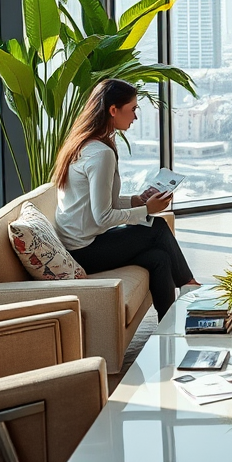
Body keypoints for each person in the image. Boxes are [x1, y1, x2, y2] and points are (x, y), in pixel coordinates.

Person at [51, 78, 196, 320]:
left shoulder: (85, 144)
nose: (135, 117)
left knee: (158, 259)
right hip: (83, 250)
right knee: (157, 226)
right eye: (133, 109)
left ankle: (169, 327)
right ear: (113, 110)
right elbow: (102, 216)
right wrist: (147, 210)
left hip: (79, 243)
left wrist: (137, 200)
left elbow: (99, 203)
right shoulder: (101, 154)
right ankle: (191, 287)